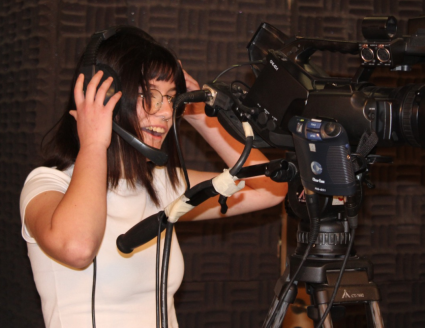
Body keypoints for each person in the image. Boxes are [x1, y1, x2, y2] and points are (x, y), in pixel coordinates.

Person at [20, 27, 287, 328]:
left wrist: (199, 114)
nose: (164, 112)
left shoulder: (159, 185)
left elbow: (270, 189)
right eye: (149, 95)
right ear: (105, 95)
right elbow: (78, 248)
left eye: (171, 98)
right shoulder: (46, 184)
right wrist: (94, 143)